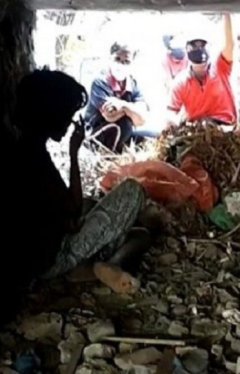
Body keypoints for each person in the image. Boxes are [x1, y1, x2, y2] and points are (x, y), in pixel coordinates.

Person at [2, 70, 152, 324]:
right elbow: (71, 207)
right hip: (48, 260)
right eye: (68, 115)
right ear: (51, 114)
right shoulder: (34, 158)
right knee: (132, 193)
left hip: (33, 254)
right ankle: (106, 265)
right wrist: (74, 153)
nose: (71, 121)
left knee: (95, 207)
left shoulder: (22, 149)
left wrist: (65, 220)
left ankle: (89, 266)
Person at [167, 13, 237, 130]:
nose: (198, 49)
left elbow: (229, 44)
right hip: (197, 132)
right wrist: (176, 123)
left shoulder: (220, 68)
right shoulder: (181, 82)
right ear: (187, 48)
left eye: (202, 45)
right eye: (194, 46)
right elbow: (170, 112)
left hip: (225, 128)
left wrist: (226, 13)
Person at [83, 42, 150, 153]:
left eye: (126, 61)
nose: (121, 64)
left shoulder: (133, 84)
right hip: (95, 134)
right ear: (110, 58)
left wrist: (123, 106)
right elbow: (110, 115)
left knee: (152, 136)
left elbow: (142, 119)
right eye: (117, 59)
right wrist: (132, 110)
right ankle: (109, 157)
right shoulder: (100, 82)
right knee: (125, 124)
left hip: (123, 133)